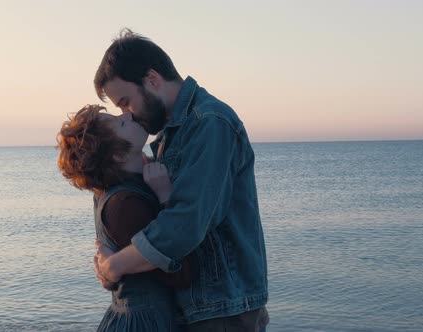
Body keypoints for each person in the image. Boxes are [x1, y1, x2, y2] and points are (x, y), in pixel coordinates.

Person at [92, 29, 270, 331]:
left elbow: (185, 223)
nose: (127, 114)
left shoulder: (209, 123)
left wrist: (114, 266)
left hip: (223, 307)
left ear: (152, 80)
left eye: (126, 101)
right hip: (200, 306)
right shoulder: (172, 133)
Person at [56, 104, 191, 331]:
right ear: (118, 154)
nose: (128, 114)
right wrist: (166, 196)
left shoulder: (115, 191)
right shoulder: (125, 204)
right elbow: (182, 274)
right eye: (121, 123)